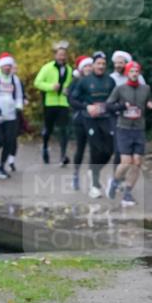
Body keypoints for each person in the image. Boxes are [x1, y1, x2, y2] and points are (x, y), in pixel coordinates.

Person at [68, 51, 116, 198]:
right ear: (93, 65)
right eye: (98, 63)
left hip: (106, 118)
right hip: (88, 119)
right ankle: (94, 186)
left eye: (103, 64)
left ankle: (93, 171)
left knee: (109, 150)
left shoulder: (110, 81)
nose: (101, 66)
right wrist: (86, 107)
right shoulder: (84, 81)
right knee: (96, 149)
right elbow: (72, 100)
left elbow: (114, 101)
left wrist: (110, 108)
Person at [105, 61, 152, 207]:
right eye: (131, 71)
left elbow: (149, 100)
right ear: (127, 73)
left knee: (137, 162)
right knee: (126, 161)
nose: (134, 74)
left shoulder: (146, 89)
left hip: (139, 129)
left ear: (139, 73)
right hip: (123, 128)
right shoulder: (120, 89)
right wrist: (121, 106)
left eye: (136, 71)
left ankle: (127, 192)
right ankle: (114, 182)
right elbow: (108, 105)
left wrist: (150, 104)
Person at [34, 41, 72, 165]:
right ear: (55, 55)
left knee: (64, 130)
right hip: (50, 103)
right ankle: (45, 147)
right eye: (60, 54)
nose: (62, 57)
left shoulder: (69, 69)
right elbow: (37, 82)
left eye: (64, 55)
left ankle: (63, 156)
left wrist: (68, 90)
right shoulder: (47, 67)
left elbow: (69, 85)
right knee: (49, 129)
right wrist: (51, 86)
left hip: (63, 103)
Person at [0, 53, 24, 179]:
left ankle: (1, 167)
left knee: (9, 141)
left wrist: (18, 107)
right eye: (5, 65)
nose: (7, 67)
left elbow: (19, 96)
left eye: (9, 65)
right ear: (1, 65)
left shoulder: (15, 79)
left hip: (11, 116)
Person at [68, 56, 93, 190]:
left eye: (90, 66)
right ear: (81, 69)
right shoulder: (75, 82)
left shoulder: (97, 81)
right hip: (80, 119)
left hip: (95, 120)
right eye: (85, 66)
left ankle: (92, 175)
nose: (88, 68)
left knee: (95, 148)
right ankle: (76, 175)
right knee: (81, 148)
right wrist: (84, 106)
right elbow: (71, 100)